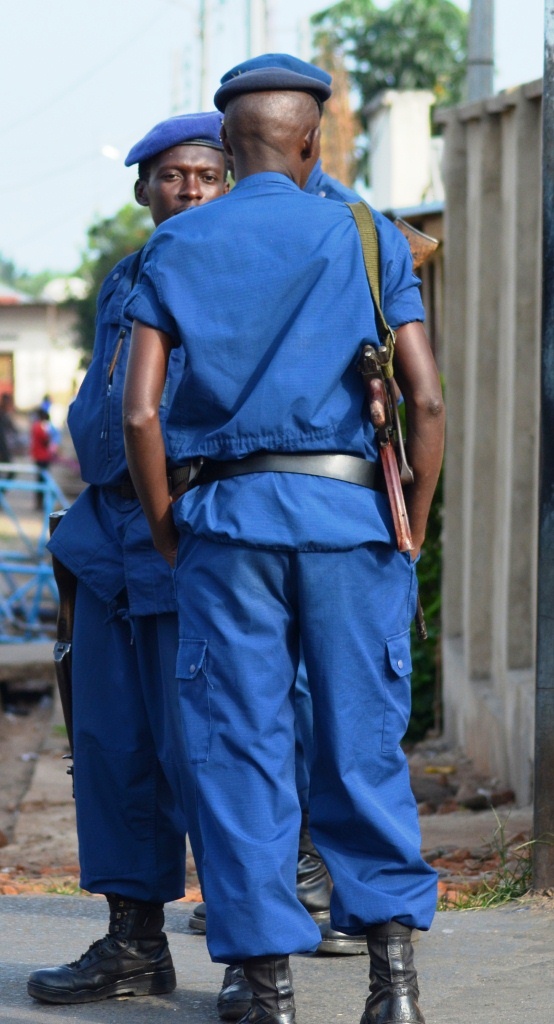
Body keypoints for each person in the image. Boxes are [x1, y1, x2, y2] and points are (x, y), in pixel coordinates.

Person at [122, 53, 444, 1024]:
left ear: (226, 146)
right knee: (360, 744)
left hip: (224, 527)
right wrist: (413, 522)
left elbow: (141, 415)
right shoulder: (364, 233)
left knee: (238, 746)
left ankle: (267, 992)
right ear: (311, 141)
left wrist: (169, 527)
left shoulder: (176, 244)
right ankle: (391, 987)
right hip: (349, 523)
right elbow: (424, 395)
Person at [27, 111, 231, 1007]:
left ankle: (253, 957)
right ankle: (132, 946)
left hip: (191, 528)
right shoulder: (124, 276)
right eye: (172, 176)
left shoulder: (237, 265)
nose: (187, 190)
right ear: (143, 188)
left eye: (207, 175)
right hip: (109, 539)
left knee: (210, 749)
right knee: (112, 746)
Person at [30, 406, 57, 508]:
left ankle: (39, 502)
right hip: (42, 456)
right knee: (42, 480)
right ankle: (40, 503)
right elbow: (45, 440)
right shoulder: (40, 428)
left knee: (40, 479)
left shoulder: (35, 426)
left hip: (38, 456)